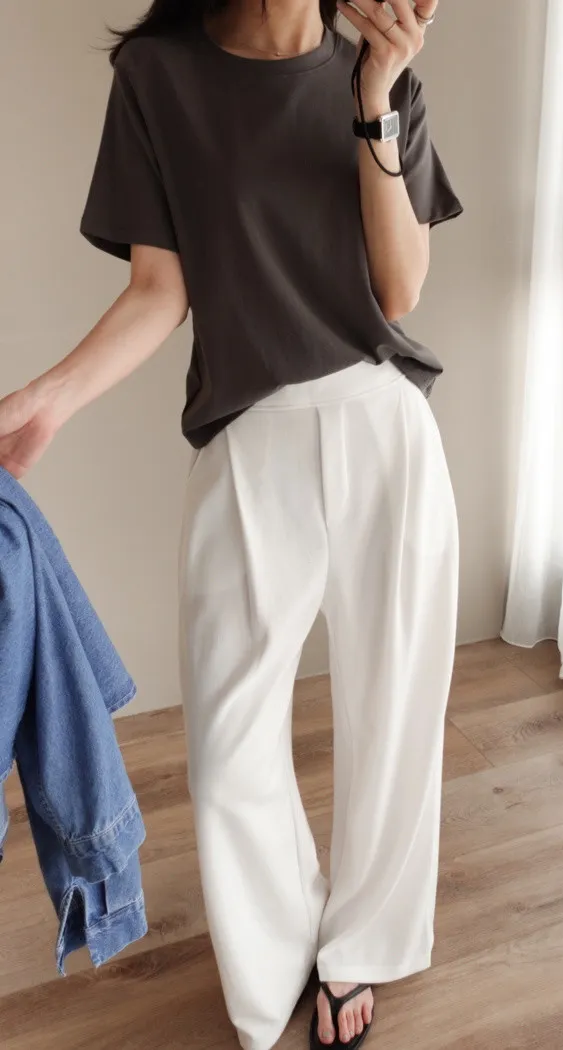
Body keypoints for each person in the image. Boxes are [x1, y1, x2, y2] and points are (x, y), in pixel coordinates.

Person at [0, 1, 462, 1047]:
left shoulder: (380, 73)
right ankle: (276, 957)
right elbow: (159, 290)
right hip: (250, 437)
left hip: (381, 423)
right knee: (228, 742)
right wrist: (46, 401)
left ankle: (361, 945)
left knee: (394, 709)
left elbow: (397, 292)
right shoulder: (158, 78)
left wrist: (375, 97)